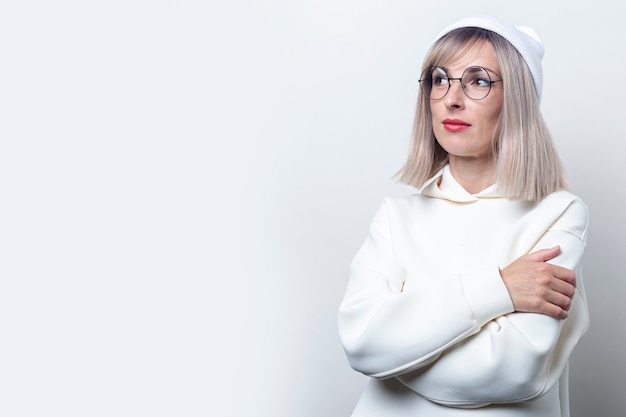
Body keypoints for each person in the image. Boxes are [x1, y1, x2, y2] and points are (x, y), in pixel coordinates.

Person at [337, 15, 589, 417]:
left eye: (478, 80)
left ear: (518, 101)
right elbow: (361, 343)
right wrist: (501, 287)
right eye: (440, 79)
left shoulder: (557, 213)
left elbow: (513, 370)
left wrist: (399, 351)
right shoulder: (395, 218)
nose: (452, 99)